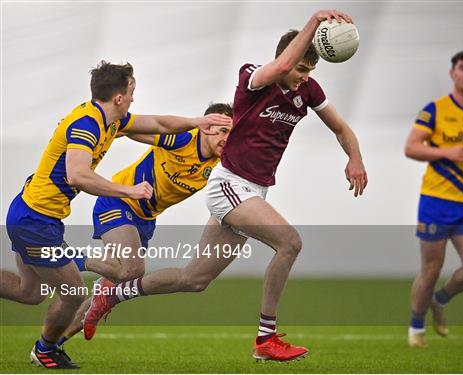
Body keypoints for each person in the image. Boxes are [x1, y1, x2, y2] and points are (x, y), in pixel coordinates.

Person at [83, 9, 368, 362]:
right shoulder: (254, 77)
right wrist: (313, 24)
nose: (303, 77)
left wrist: (354, 158)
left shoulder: (308, 90)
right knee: (290, 243)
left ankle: (115, 295)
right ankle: (266, 338)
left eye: (310, 70)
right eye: (300, 68)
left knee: (194, 280)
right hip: (230, 185)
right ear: (286, 59)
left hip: (252, 191)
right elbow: (279, 69)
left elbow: (341, 128)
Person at [0, 61, 232, 369]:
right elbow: (77, 176)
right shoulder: (87, 124)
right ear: (119, 97)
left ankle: (53, 340)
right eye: (132, 90)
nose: (135, 97)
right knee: (75, 292)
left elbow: (160, 123)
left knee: (28, 292)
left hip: (38, 215)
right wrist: (129, 191)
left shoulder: (110, 121)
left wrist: (196, 119)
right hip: (34, 219)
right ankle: (45, 349)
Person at [58, 102, 232, 343]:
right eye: (222, 131)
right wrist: (94, 135)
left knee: (117, 283)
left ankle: (53, 344)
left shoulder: (221, 162)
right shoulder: (182, 140)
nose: (227, 138)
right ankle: (71, 259)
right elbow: (128, 129)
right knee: (132, 271)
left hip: (146, 219)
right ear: (205, 128)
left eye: (232, 133)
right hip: (119, 202)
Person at [404, 50, 463, 348]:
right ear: (453, 74)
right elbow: (412, 148)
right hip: (436, 201)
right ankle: (416, 328)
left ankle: (440, 300)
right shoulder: (435, 110)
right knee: (431, 270)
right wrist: (445, 152)